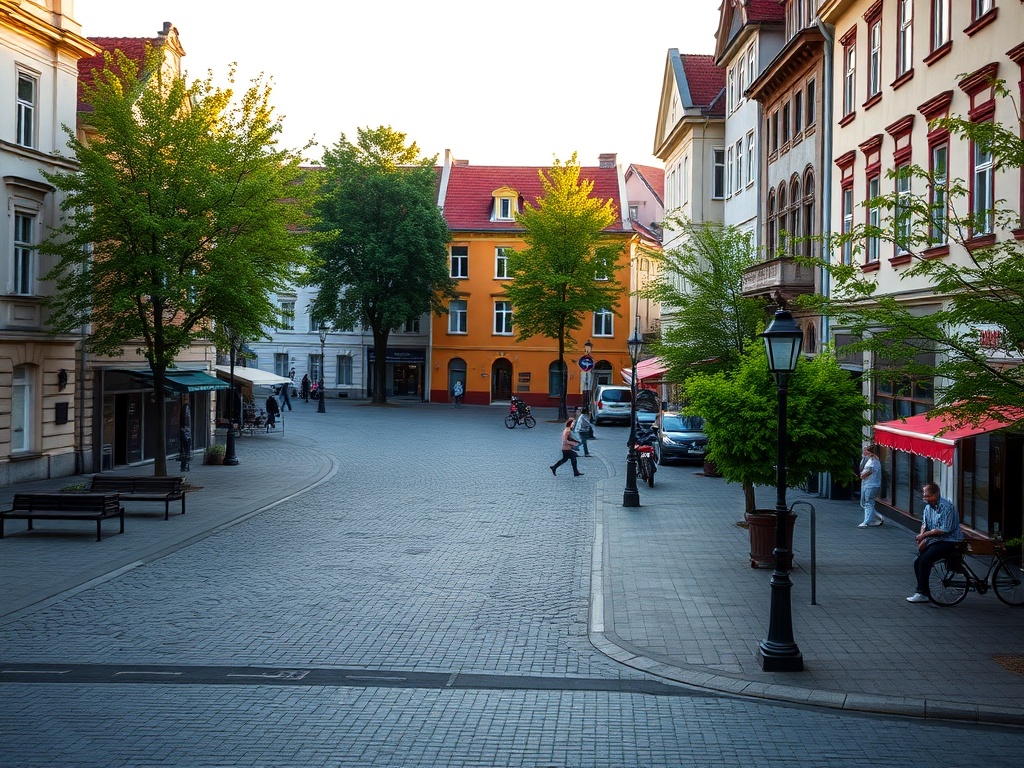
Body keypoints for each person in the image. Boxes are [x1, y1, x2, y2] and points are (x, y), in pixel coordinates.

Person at [907, 483, 964, 603]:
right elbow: (924, 523)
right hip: (934, 540)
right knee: (918, 562)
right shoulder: (928, 507)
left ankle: (922, 593)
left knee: (925, 560)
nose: (926, 499)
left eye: (928, 496)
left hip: (949, 540)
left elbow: (944, 529)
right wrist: (922, 536)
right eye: (924, 496)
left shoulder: (947, 507)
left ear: (936, 494)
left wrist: (925, 535)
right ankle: (923, 591)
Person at [858, 445, 883, 527]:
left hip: (870, 484)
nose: (865, 452)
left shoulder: (873, 461)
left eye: (866, 451)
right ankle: (877, 518)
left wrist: (862, 475)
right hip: (869, 484)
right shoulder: (872, 460)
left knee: (868, 502)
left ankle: (866, 521)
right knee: (868, 502)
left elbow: (866, 473)